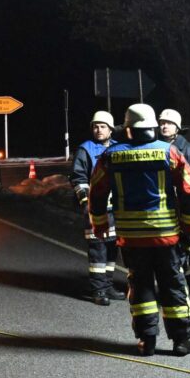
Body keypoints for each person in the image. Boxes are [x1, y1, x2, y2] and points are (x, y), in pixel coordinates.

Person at [89, 103, 190, 356]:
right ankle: (181, 341)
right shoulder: (169, 152)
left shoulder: (110, 156)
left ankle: (147, 341)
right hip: (166, 235)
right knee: (173, 284)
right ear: (153, 127)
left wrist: (100, 222)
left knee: (140, 287)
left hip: (131, 237)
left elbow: (97, 192)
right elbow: (188, 192)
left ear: (127, 128)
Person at [68, 110, 124, 305]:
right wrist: (86, 202)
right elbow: (78, 178)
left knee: (112, 248)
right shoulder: (85, 150)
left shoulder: (118, 148)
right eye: (95, 127)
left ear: (110, 129)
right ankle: (98, 290)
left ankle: (108, 285)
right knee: (98, 249)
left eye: (102, 127)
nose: (98, 130)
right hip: (96, 209)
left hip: (116, 209)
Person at [158, 108, 190, 304]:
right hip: (163, 210)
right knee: (165, 252)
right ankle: (168, 292)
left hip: (183, 209)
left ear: (177, 127)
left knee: (184, 253)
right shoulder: (156, 147)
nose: (164, 126)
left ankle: (188, 294)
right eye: (162, 123)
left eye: (169, 123)